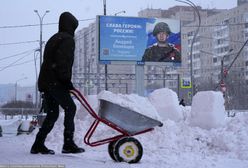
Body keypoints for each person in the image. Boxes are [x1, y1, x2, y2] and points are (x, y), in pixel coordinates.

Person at [30, 12, 84, 154]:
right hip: (56, 82)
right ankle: (68, 143)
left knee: (53, 114)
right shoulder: (67, 40)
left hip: (46, 82)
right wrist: (66, 81)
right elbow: (62, 62)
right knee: (70, 108)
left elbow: (51, 62)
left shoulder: (53, 38)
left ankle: (38, 144)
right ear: (71, 26)